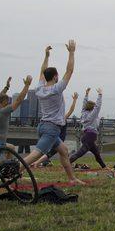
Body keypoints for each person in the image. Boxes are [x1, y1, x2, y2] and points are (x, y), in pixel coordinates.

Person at [22, 43, 84, 185]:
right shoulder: (56, 89)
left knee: (64, 151)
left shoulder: (39, 89)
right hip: (51, 129)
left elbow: (42, 71)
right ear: (56, 76)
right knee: (35, 154)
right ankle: (13, 171)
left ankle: (72, 179)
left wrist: (46, 56)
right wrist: (71, 52)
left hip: (43, 126)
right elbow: (69, 71)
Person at [31, 92, 79, 168]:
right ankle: (36, 163)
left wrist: (74, 100)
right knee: (50, 153)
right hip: (56, 138)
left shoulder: (60, 118)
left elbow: (70, 110)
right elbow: (71, 110)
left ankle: (66, 165)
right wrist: (74, 100)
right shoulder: (61, 118)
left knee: (62, 152)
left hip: (57, 138)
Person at [69, 87, 108, 169]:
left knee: (97, 153)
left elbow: (84, 104)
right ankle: (68, 162)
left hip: (87, 135)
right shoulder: (92, 115)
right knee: (80, 152)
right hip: (90, 136)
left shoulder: (83, 112)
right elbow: (98, 106)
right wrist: (100, 94)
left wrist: (86, 94)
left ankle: (104, 167)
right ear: (92, 108)